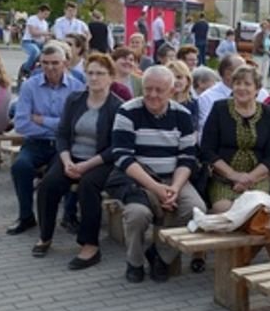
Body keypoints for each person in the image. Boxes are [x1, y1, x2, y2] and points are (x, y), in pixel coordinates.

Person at [106, 66, 203, 283]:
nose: (152, 95)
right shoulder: (127, 111)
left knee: (195, 209)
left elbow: (187, 157)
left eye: (159, 90)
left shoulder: (183, 115)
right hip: (138, 180)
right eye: (148, 89)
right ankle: (135, 261)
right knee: (137, 215)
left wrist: (175, 188)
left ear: (171, 90)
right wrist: (156, 188)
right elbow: (122, 157)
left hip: (173, 178)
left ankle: (160, 255)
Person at [32, 53, 122, 270]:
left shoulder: (118, 107)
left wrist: (86, 165)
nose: (94, 78)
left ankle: (90, 245)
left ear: (111, 77)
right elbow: (62, 134)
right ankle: (45, 235)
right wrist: (66, 161)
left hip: (101, 161)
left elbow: (116, 147)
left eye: (100, 73)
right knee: (48, 184)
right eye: (90, 72)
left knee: (88, 187)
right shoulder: (74, 99)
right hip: (71, 157)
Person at [7, 43, 84, 235]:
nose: (50, 67)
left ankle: (69, 216)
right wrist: (58, 126)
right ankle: (26, 217)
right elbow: (22, 123)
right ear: (39, 63)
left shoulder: (77, 87)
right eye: (45, 63)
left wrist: (42, 120)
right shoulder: (29, 86)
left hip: (64, 146)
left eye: (55, 63)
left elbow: (76, 124)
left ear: (65, 63)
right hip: (35, 144)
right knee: (20, 167)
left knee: (61, 173)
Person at [199, 65, 270, 212]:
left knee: (256, 210)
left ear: (257, 89)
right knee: (224, 209)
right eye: (237, 83)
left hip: (257, 178)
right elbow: (207, 150)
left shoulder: (268, 113)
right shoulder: (219, 109)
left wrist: (248, 179)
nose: (241, 88)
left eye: (247, 84)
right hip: (223, 178)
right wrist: (234, 176)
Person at [20, 4, 51, 79]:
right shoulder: (32, 19)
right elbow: (33, 33)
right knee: (35, 52)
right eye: (45, 14)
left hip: (40, 44)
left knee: (49, 54)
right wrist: (45, 33)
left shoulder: (45, 23)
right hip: (29, 42)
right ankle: (25, 70)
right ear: (40, 12)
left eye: (47, 14)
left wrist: (49, 38)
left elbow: (45, 36)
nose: (46, 16)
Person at [167, 59, 199, 127]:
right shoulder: (161, 103)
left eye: (179, 77)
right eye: (171, 78)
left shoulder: (193, 103)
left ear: (187, 80)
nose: (175, 81)